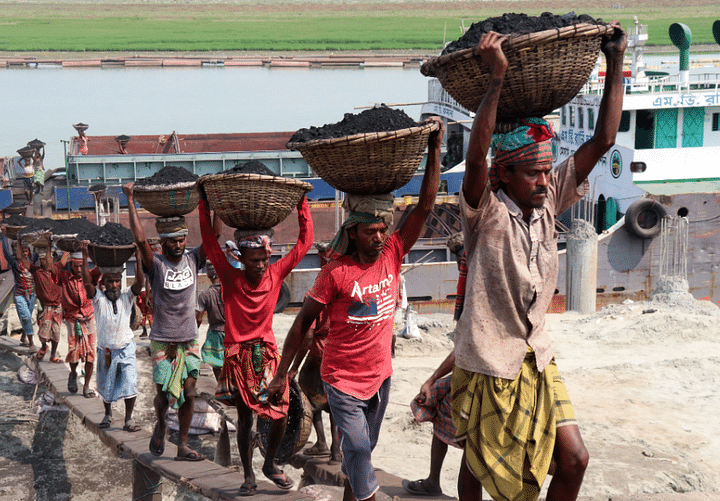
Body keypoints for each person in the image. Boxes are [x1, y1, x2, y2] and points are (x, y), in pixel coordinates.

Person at [446, 26, 627, 501]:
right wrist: (496, 80)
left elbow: (603, 140)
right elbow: (476, 158)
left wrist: (614, 63)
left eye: (548, 171)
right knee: (481, 462)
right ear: (504, 174)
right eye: (533, 173)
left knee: (574, 459)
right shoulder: (483, 211)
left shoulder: (549, 202)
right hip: (486, 360)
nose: (546, 182)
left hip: (536, 357)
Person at [269, 115, 443, 501]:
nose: (379, 237)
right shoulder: (335, 274)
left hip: (379, 378)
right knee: (360, 450)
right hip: (343, 384)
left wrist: (434, 146)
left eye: (383, 229)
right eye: (370, 231)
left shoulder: (394, 253)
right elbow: (301, 324)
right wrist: (282, 375)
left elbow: (426, 205)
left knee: (356, 459)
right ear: (353, 232)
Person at [198, 194, 313, 496]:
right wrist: (204, 204)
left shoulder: (276, 274)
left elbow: (305, 242)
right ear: (242, 260)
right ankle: (248, 474)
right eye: (254, 261)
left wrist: (302, 204)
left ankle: (270, 463)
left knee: (281, 412)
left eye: (264, 259)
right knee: (245, 418)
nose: (261, 265)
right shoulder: (229, 276)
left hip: (268, 357)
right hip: (237, 357)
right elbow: (210, 241)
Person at [123, 182, 213, 461]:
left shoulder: (193, 259)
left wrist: (210, 202)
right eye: (172, 241)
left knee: (188, 392)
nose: (178, 245)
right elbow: (139, 240)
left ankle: (182, 445)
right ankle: (161, 422)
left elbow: (215, 236)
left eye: (181, 240)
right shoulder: (157, 265)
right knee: (164, 394)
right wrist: (130, 200)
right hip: (162, 338)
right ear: (162, 243)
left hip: (189, 338)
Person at [80, 240, 144, 433]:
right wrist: (85, 258)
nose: (114, 285)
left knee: (130, 382)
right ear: (104, 284)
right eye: (110, 281)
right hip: (106, 349)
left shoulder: (127, 297)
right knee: (105, 384)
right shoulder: (98, 299)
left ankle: (128, 419)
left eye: (117, 281)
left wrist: (138, 257)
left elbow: (140, 283)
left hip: (126, 348)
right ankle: (107, 414)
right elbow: (86, 282)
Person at [286, 243, 341, 464]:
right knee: (336, 404)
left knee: (309, 396)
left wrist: (294, 368)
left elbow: (307, 337)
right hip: (341, 358)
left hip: (319, 359)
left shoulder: (316, 293)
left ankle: (321, 442)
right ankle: (337, 451)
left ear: (321, 261)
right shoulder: (346, 288)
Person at [403, 351, 458, 497]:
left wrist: (431, 380)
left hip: (473, 379)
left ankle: (433, 480)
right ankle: (433, 481)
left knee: (472, 444)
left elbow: (460, 350)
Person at [54, 247, 97, 398]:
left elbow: (101, 269)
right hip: (72, 318)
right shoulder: (64, 277)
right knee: (74, 351)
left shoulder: (90, 276)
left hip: (89, 317)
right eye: (76, 266)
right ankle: (73, 373)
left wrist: (88, 253)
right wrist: (65, 253)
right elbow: (52, 270)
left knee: (91, 353)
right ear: (71, 265)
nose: (79, 269)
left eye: (81, 266)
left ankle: (86, 386)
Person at [17, 235, 63, 363]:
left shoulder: (57, 269)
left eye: (48, 259)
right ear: (39, 261)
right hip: (45, 307)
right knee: (43, 334)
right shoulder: (36, 271)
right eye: (43, 259)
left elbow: (65, 256)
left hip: (57, 306)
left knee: (56, 333)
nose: (46, 262)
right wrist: (19, 241)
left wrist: (66, 246)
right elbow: (20, 257)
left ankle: (53, 355)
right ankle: (44, 346)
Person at [0, 232, 36, 349]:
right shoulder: (14, 261)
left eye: (26, 251)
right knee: (25, 316)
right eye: (22, 251)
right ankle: (31, 343)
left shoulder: (32, 259)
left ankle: (23, 337)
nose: (24, 253)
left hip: (31, 293)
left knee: (28, 316)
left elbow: (41, 250)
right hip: (20, 293)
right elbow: (5, 252)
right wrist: (4, 235)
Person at [195, 261, 225, 381]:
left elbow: (198, 318)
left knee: (217, 363)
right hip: (232, 333)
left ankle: (221, 387)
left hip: (215, 333)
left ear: (208, 275)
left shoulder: (205, 295)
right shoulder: (231, 291)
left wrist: (192, 334)